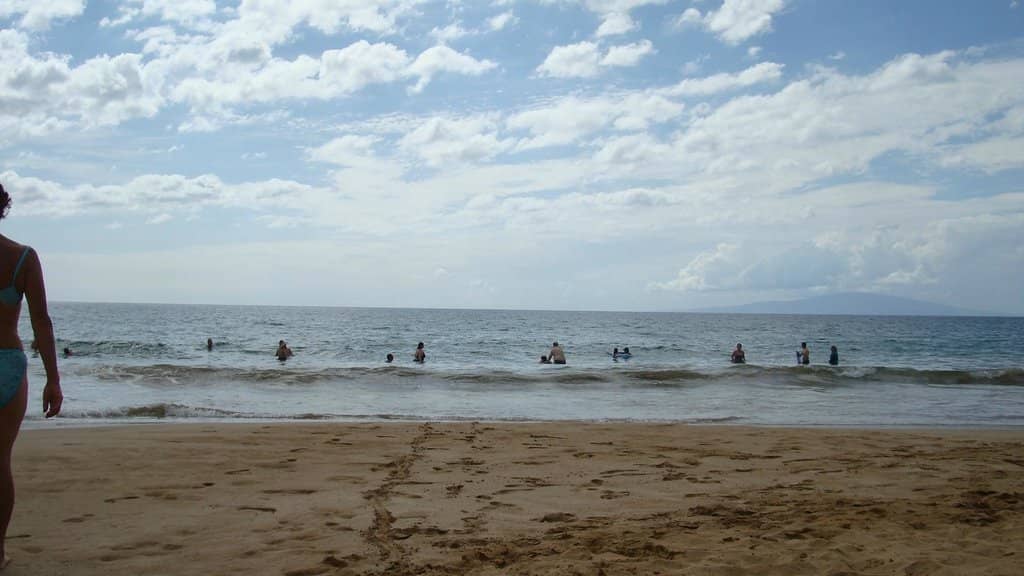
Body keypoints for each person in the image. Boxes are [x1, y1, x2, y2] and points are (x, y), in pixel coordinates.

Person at [0, 182, 62, 570]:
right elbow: (41, 321)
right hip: (6, 363)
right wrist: (52, 378)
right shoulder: (21, 256)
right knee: (0, 460)